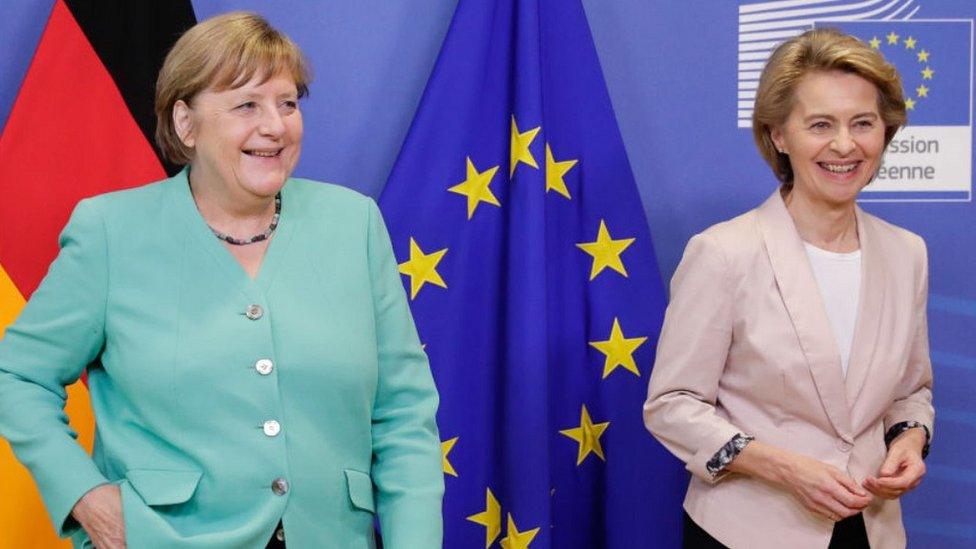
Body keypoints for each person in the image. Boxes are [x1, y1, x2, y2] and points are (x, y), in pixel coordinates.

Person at [0, 12, 442, 549]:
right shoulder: (111, 232)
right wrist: (84, 497)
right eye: (246, 105)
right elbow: (16, 377)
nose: (275, 125)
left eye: (287, 103)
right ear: (186, 123)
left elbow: (403, 417)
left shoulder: (355, 224)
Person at [643, 28, 933, 549]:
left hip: (873, 529)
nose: (845, 145)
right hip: (745, 532)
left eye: (862, 123)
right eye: (820, 124)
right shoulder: (724, 253)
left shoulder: (906, 253)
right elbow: (672, 405)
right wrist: (785, 468)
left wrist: (911, 439)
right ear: (778, 134)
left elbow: (911, 390)